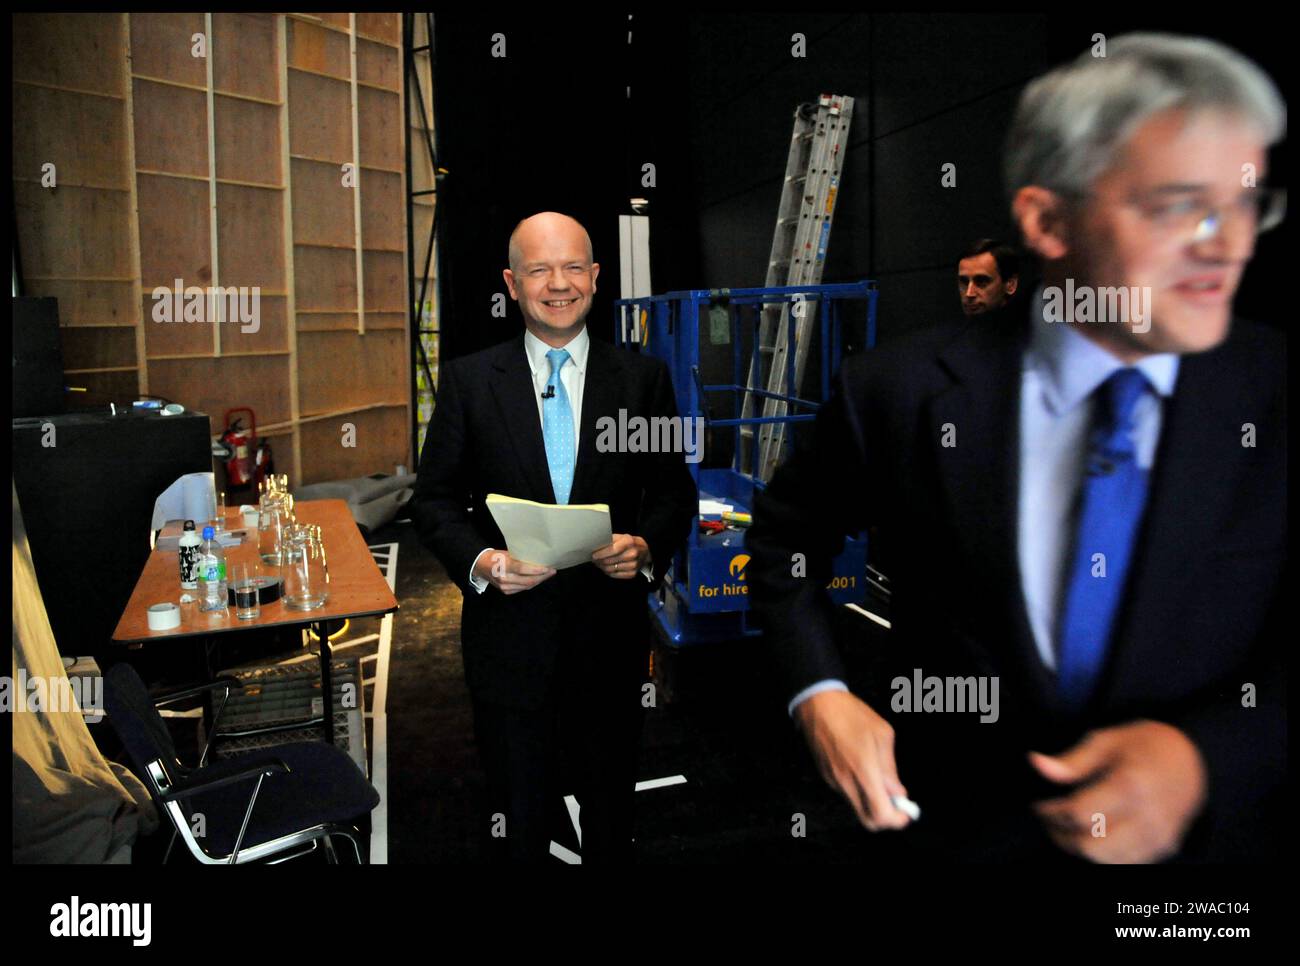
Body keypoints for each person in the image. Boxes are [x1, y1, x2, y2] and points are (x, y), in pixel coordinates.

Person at [748, 34, 1286, 863]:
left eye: (1246, 200)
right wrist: (821, 694)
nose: (1226, 243)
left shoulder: (1273, 393)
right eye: (1178, 204)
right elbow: (784, 543)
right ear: (1047, 219)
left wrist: (1204, 756)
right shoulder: (895, 392)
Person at [412, 212, 697, 863]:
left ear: (596, 278)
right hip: (509, 643)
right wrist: (482, 560)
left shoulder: (643, 380)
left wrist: (647, 547)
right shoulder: (468, 383)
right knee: (519, 816)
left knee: (610, 813)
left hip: (610, 643)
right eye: (539, 269)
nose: (558, 283)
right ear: (512, 283)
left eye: (573, 267)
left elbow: (674, 493)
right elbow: (432, 502)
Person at [956, 238, 1020, 317]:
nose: (969, 294)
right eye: (964, 282)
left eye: (982, 282)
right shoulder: (947, 328)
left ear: (1010, 285)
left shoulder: (1035, 327)